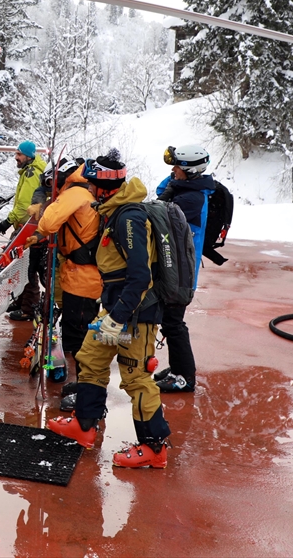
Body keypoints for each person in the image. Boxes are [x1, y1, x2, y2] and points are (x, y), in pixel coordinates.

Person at [46, 175, 172, 469]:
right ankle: (85, 425)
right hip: (113, 309)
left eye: (92, 184)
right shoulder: (113, 212)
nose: (88, 188)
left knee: (137, 378)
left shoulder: (129, 218)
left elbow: (140, 276)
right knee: (90, 356)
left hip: (135, 314)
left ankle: (154, 448)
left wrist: (117, 318)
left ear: (107, 189)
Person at [24, 157, 104, 389]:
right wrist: (39, 236)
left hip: (83, 276)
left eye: (52, 182)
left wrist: (47, 211)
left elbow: (49, 222)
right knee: (79, 329)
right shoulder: (83, 189)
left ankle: (85, 390)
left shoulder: (73, 193)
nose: (51, 188)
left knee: (80, 335)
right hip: (80, 272)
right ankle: (83, 385)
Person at [152, 143, 216, 394]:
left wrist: (171, 188)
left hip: (181, 272)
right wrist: (173, 180)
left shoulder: (191, 198)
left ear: (190, 171)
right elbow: (162, 194)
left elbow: (160, 211)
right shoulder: (189, 188)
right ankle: (179, 367)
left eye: (177, 167)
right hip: (176, 268)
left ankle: (184, 376)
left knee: (173, 323)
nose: (173, 170)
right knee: (171, 321)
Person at [0, 141, 47, 320]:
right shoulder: (31, 170)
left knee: (25, 267)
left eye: (19, 154)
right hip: (27, 226)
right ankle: (20, 300)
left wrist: (7, 221)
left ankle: (29, 308)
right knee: (19, 266)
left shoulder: (32, 173)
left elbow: (25, 205)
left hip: (27, 228)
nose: (16, 158)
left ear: (28, 156)